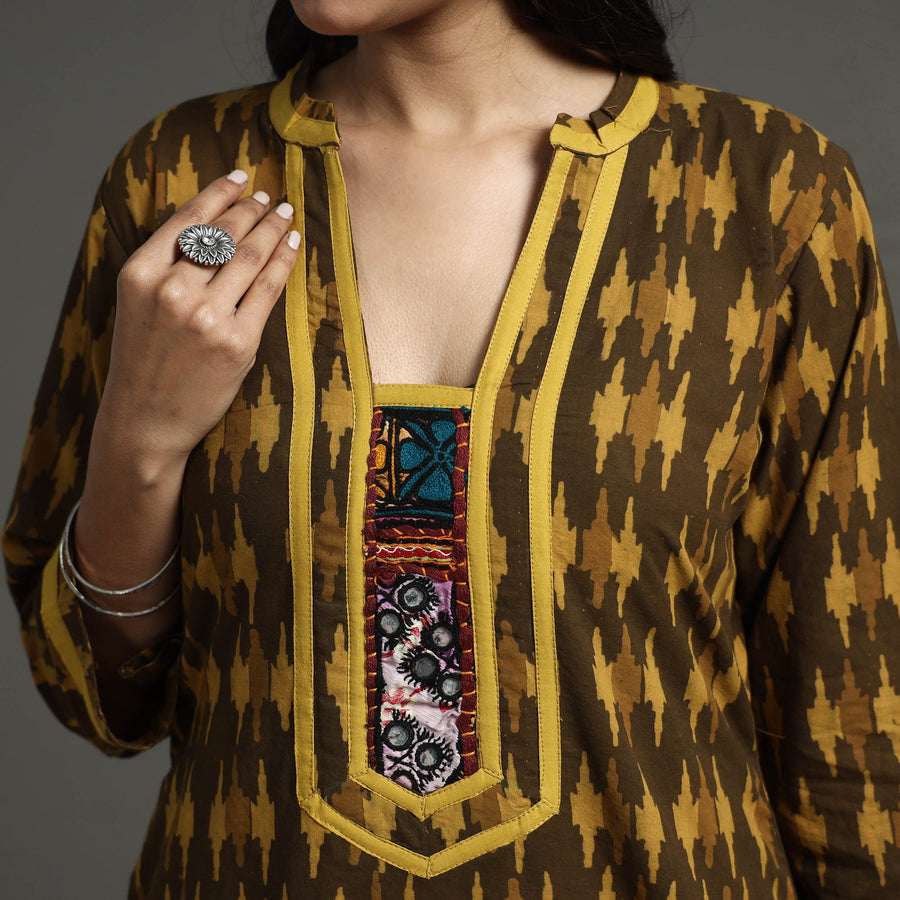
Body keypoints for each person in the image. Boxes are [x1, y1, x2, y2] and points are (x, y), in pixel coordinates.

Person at [4, 0, 900, 896]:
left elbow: (852, 726)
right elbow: (90, 689)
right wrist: (141, 439)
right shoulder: (184, 180)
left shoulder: (764, 190)